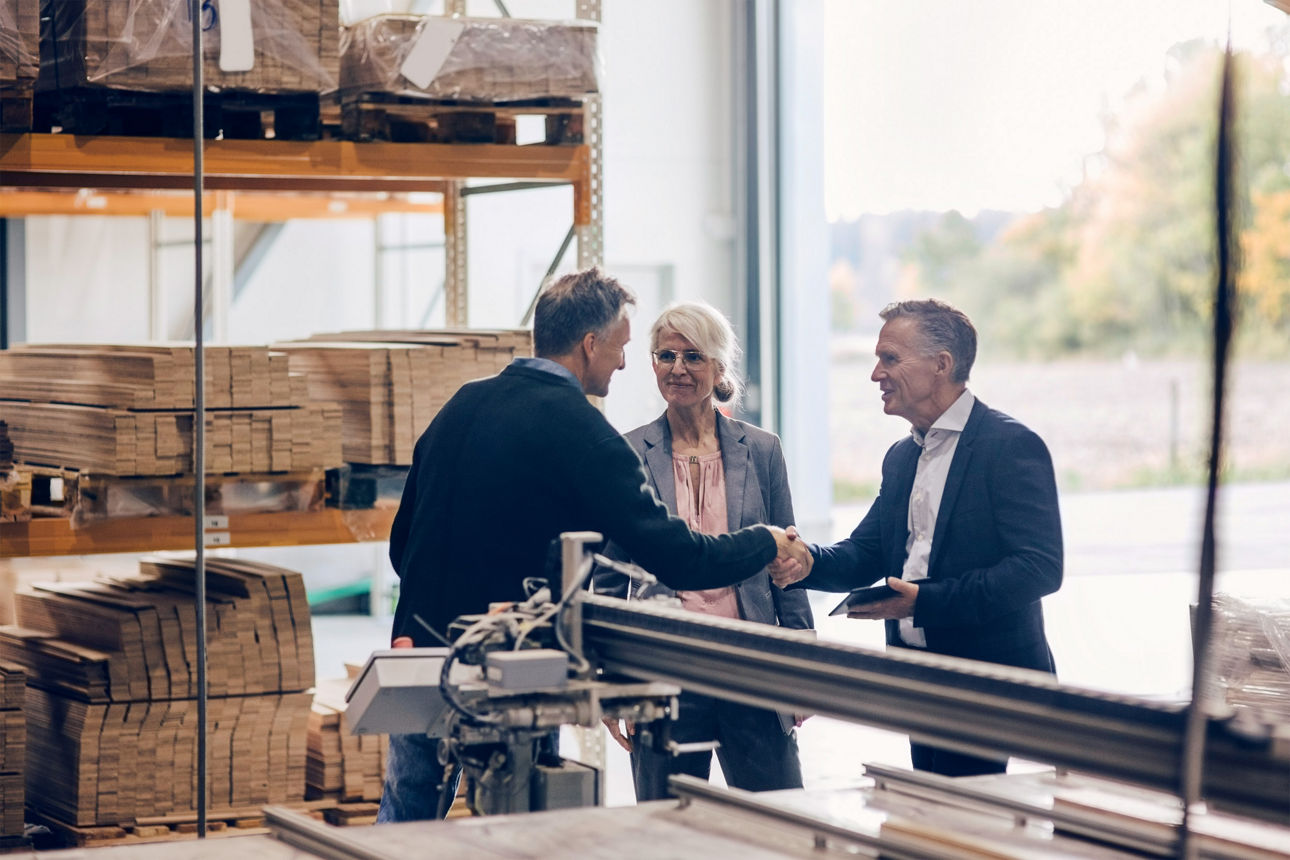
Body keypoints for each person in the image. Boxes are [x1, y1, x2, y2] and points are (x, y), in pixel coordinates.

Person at [378, 268, 811, 822]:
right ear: (589, 344)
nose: (625, 362)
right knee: (520, 824)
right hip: (510, 671)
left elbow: (403, 542)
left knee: (404, 819)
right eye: (625, 347)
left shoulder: (461, 405)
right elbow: (675, 556)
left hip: (419, 654)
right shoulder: (583, 431)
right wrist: (765, 541)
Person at [774, 299, 1062, 777]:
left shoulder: (1010, 446)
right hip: (917, 677)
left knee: (967, 830)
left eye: (890, 358)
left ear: (941, 365)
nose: (875, 374)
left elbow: (1039, 568)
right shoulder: (901, 456)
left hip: (985, 684)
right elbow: (868, 551)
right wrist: (807, 563)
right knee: (935, 822)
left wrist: (923, 602)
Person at [596, 301, 813, 800]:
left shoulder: (761, 449)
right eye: (665, 355)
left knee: (776, 819)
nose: (678, 369)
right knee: (667, 827)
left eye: (693, 356)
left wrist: (803, 668)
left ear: (718, 367)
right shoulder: (627, 453)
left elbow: (790, 566)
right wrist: (611, 679)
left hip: (752, 665)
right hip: (663, 670)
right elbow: (608, 577)